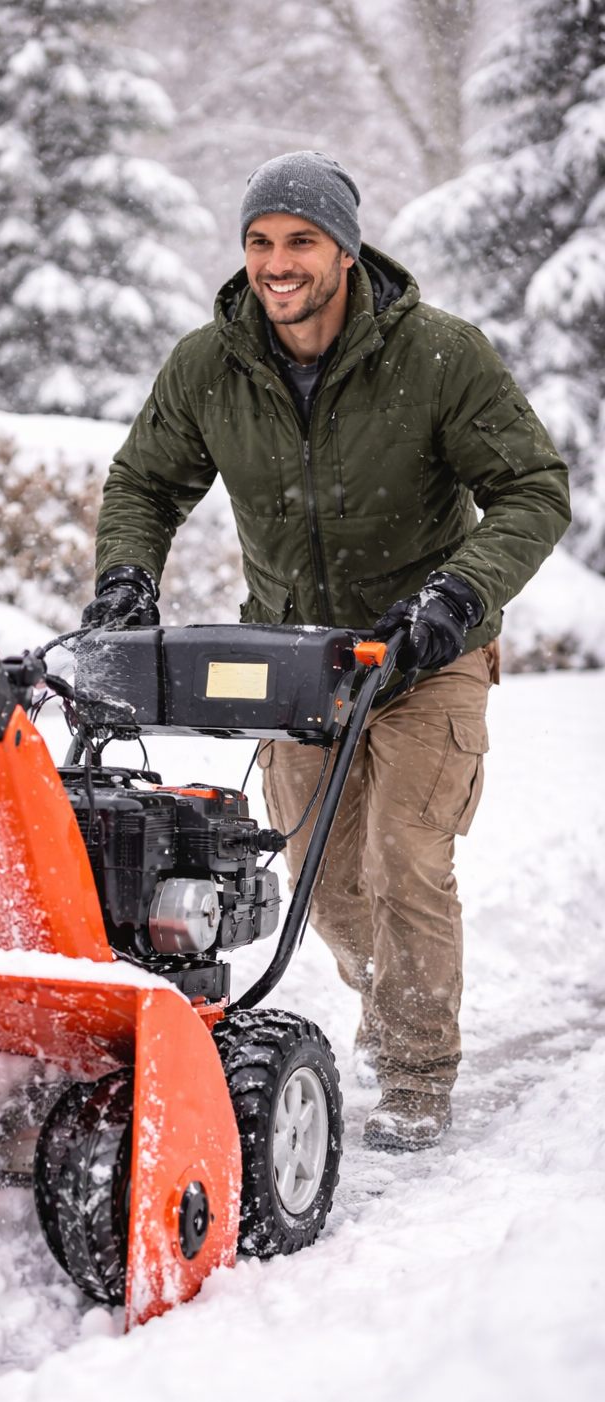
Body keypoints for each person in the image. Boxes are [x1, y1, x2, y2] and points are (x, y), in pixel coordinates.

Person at [82, 150, 570, 1151]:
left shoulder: (439, 357)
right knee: (328, 886)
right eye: (259, 242)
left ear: (344, 251)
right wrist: (126, 578)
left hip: (428, 656)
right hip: (300, 663)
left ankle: (413, 1078)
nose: (277, 263)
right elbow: (143, 482)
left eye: (299, 241)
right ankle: (382, 993)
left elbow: (531, 489)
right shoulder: (210, 365)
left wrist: (457, 594)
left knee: (407, 863)